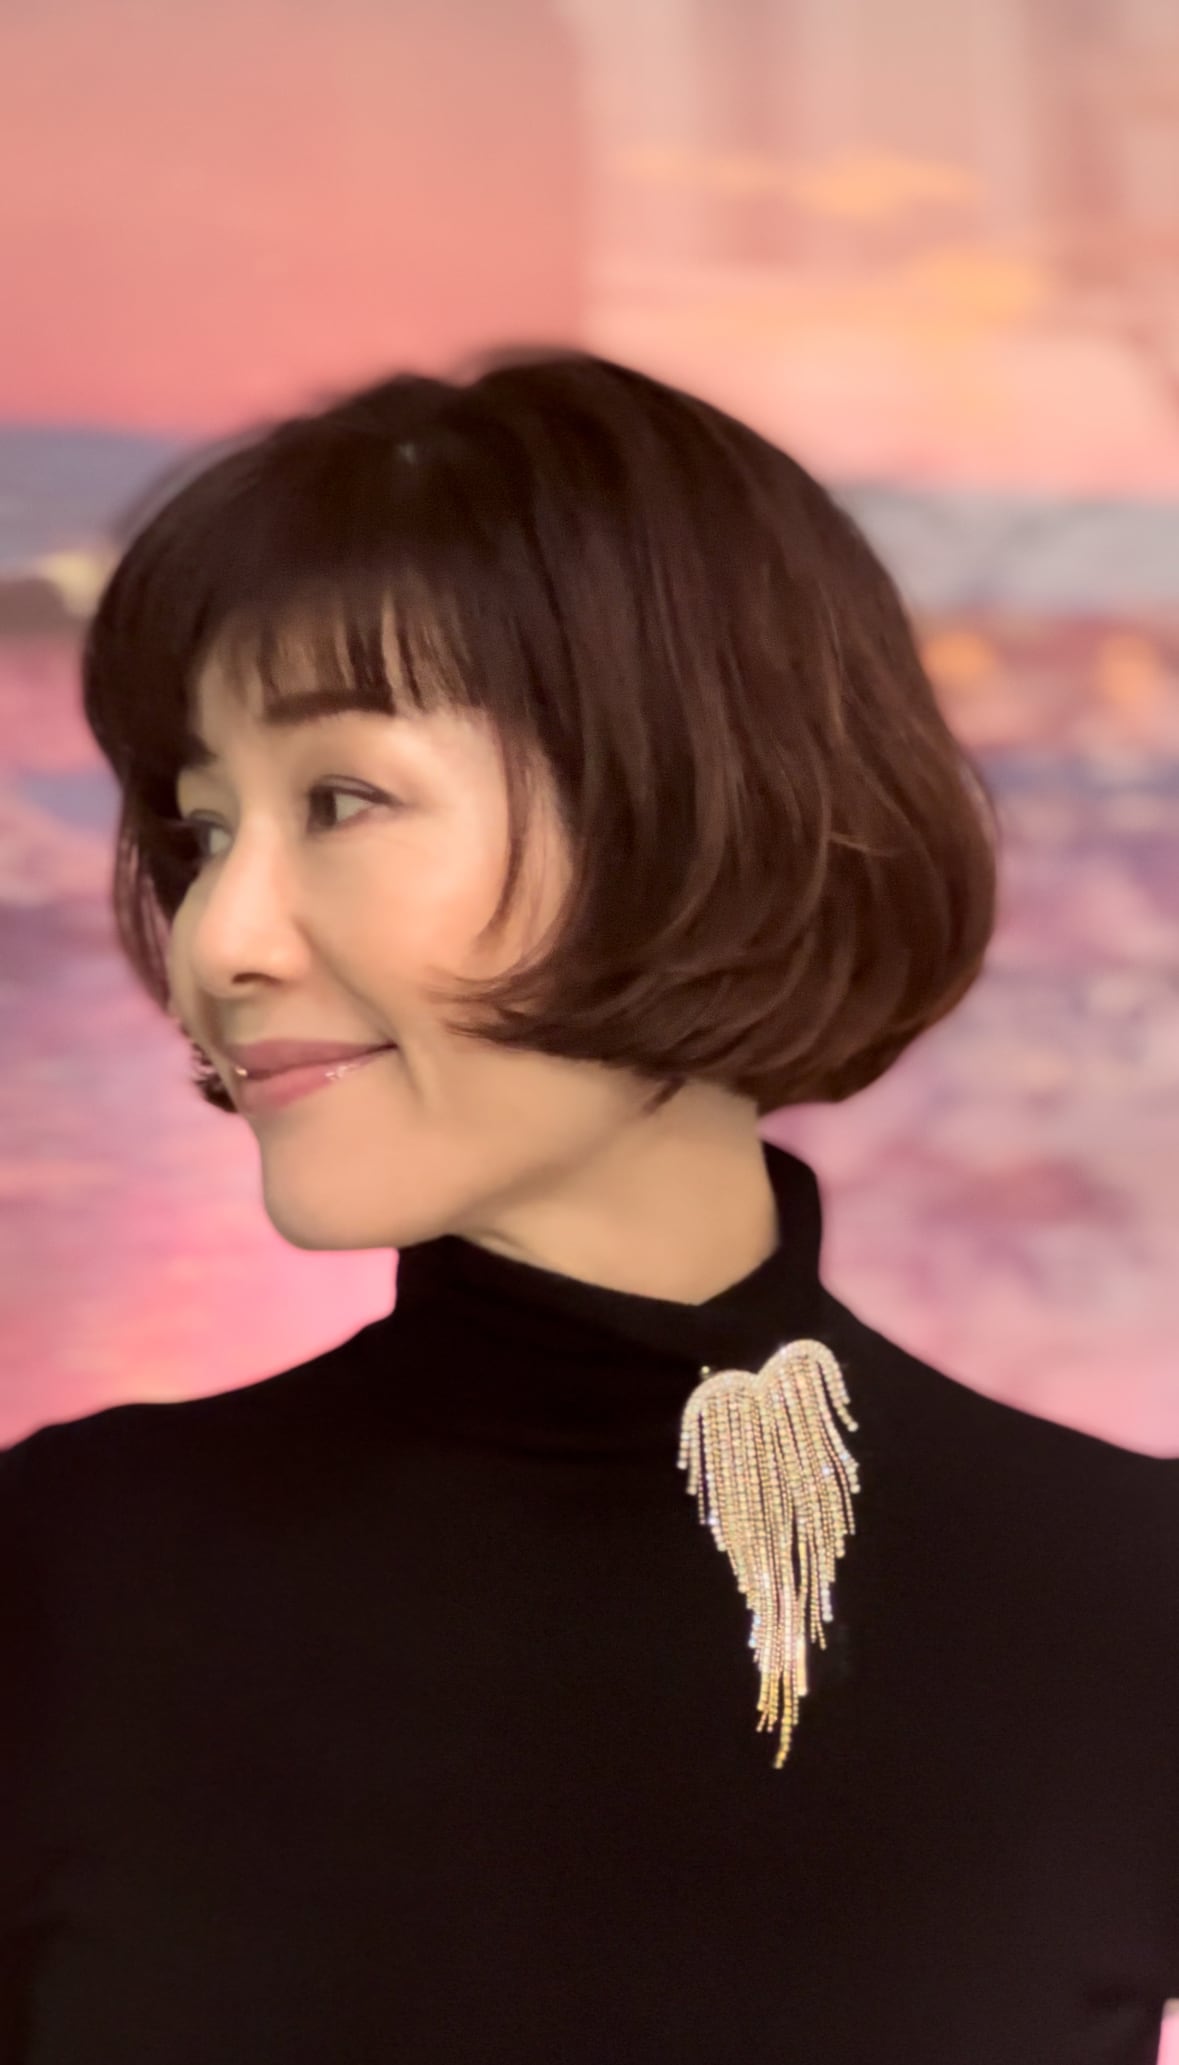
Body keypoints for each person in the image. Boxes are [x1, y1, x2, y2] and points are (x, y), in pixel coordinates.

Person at [1, 347, 1175, 2065]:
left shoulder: (1126, 1601)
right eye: (200, 831)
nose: (220, 940)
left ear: (696, 797)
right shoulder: (66, 1576)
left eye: (342, 800)